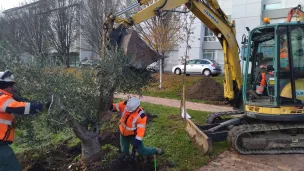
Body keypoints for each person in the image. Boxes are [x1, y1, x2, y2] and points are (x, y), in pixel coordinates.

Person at [0, 70, 45, 171]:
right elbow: (19, 108)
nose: (12, 88)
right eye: (10, 85)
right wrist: (40, 106)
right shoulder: (2, 98)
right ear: (3, 85)